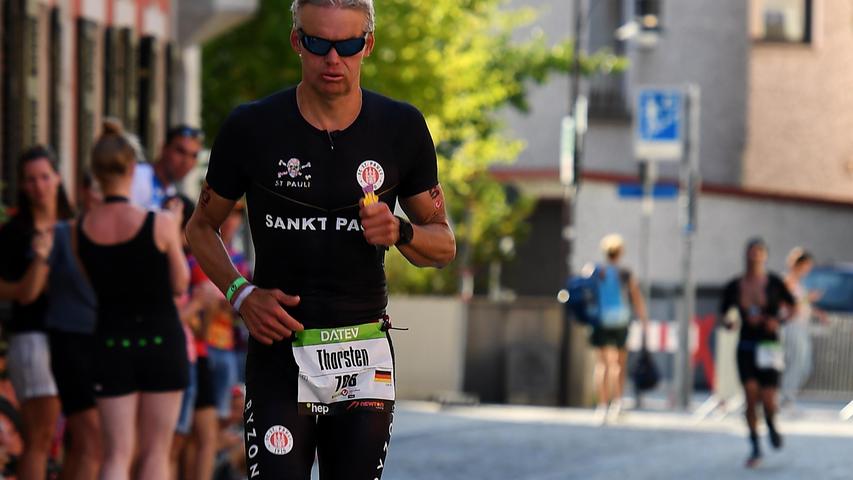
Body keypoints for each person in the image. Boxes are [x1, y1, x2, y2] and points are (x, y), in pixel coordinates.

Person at [186, 1, 456, 477]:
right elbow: (199, 228)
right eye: (318, 44)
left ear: (367, 45)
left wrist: (401, 230)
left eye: (348, 45)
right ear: (297, 42)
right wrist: (241, 292)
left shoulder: (400, 128)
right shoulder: (252, 127)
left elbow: (443, 244)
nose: (334, 59)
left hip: (362, 354)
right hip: (280, 353)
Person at [76, 120, 190, 480]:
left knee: (116, 455)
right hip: (161, 338)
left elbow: (91, 282)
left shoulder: (81, 229)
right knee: (156, 453)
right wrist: (172, 224)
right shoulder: (159, 223)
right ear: (132, 169)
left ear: (96, 172)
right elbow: (179, 283)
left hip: (110, 340)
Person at [0, 145, 72, 480]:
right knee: (39, 438)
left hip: (70, 337)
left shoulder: (72, 225)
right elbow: (24, 293)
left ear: (57, 178)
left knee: (69, 438)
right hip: (34, 339)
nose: (38, 186)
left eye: (44, 177)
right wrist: (42, 260)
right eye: (30, 180)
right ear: (22, 185)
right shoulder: (15, 234)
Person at [45, 169, 103, 480]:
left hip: (104, 345)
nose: (100, 196)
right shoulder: (61, 233)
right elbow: (36, 290)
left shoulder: (119, 236)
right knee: (91, 440)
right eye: (94, 189)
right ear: (82, 192)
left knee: (83, 445)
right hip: (69, 342)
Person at [720, 238, 795, 468]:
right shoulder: (736, 284)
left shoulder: (774, 282)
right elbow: (724, 314)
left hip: (769, 346)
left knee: (769, 399)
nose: (755, 257)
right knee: (751, 398)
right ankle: (755, 445)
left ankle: (771, 424)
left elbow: (792, 307)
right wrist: (730, 324)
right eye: (752, 253)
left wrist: (778, 321)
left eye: (759, 253)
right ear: (746, 255)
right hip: (746, 346)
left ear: (765, 256)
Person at [589, 234, 649, 423]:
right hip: (620, 321)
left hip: (599, 321)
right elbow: (636, 297)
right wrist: (643, 318)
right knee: (619, 364)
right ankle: (617, 403)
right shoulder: (625, 273)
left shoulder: (594, 271)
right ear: (620, 252)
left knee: (601, 365)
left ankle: (602, 406)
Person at [781, 247, 823, 410]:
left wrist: (818, 313)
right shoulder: (788, 280)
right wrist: (808, 298)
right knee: (796, 364)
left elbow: (803, 305)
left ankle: (788, 397)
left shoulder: (799, 282)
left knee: (804, 365)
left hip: (802, 326)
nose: (809, 269)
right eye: (807, 265)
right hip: (792, 327)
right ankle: (786, 399)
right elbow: (789, 305)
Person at [130, 125, 203, 210]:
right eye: (180, 151)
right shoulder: (135, 175)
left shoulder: (171, 193)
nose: (186, 161)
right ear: (164, 149)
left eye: (193, 156)